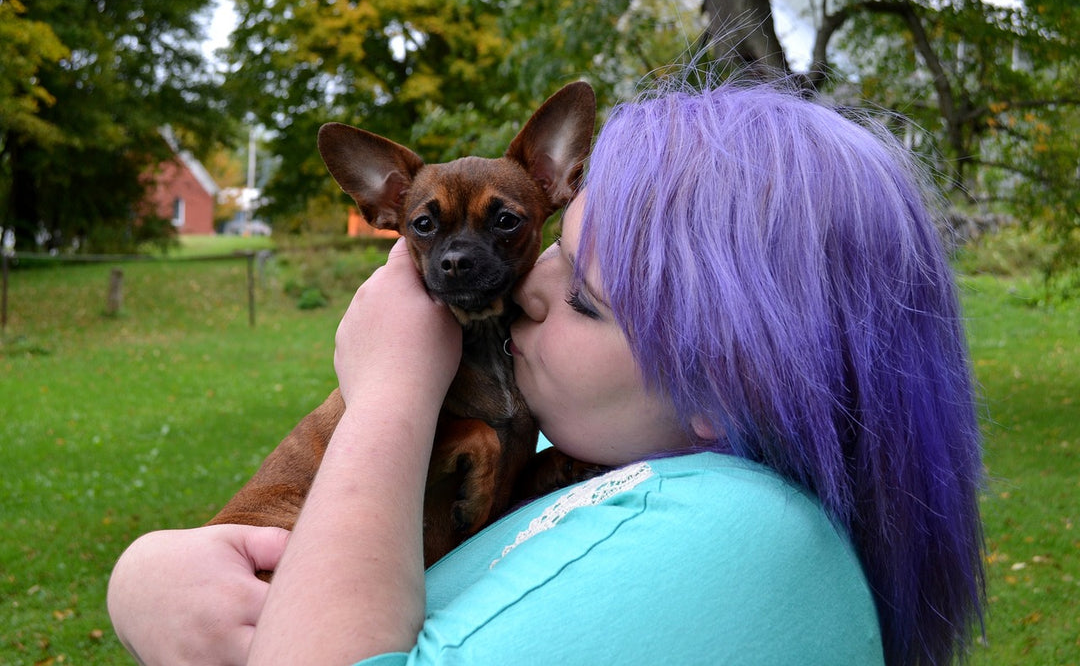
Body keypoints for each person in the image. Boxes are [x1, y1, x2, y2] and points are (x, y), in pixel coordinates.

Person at [107, 77, 985, 666]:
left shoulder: (744, 535)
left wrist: (388, 395)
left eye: (589, 301)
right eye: (555, 256)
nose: (532, 292)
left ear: (728, 386)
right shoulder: (639, 487)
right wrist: (147, 573)